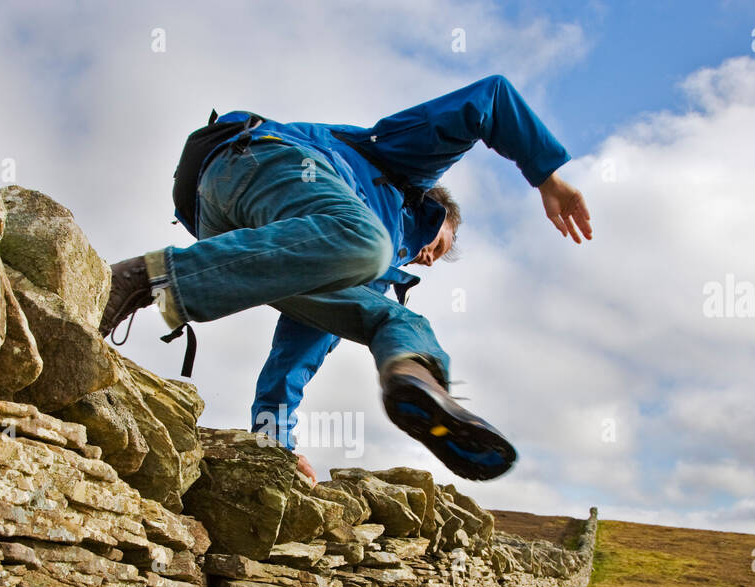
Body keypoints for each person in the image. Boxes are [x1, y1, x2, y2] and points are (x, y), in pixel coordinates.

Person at [99, 74, 592, 482]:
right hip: (255, 162)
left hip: (226, 227)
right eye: (438, 245)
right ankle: (148, 277)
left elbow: (292, 360)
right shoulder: (401, 166)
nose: (425, 259)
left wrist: (275, 445)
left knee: (390, 316)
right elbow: (490, 99)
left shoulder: (342, 257)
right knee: (368, 244)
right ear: (438, 213)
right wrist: (548, 177)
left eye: (433, 261)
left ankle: (413, 377)